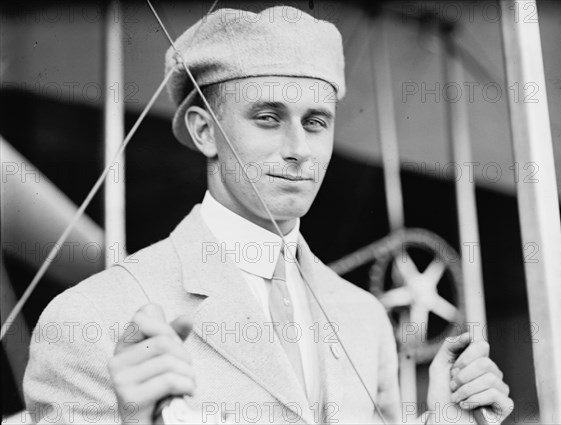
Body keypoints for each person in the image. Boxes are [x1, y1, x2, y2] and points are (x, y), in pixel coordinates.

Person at [23, 6, 512, 424]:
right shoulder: (89, 319)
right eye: (268, 118)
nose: (299, 150)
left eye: (316, 123)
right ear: (204, 132)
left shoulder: (364, 319)